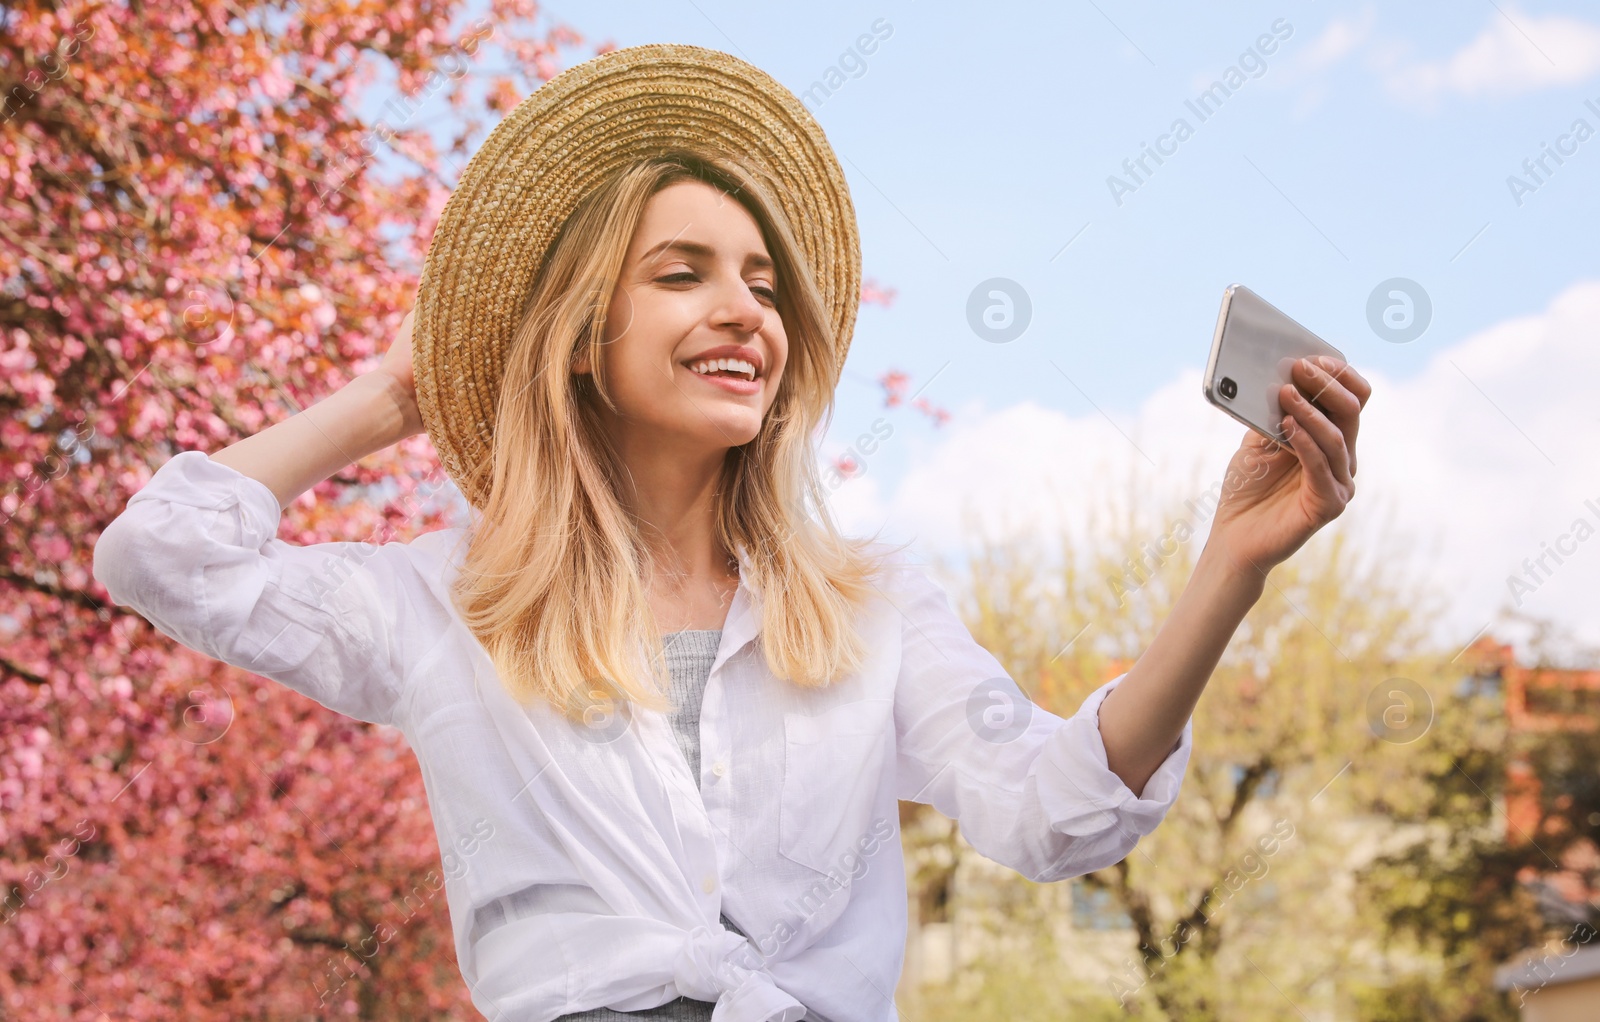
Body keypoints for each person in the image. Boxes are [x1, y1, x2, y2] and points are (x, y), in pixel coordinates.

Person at [90, 43, 1370, 1022]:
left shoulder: (870, 605)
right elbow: (167, 554)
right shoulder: (446, 602)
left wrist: (1229, 567)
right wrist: (395, 393)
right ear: (584, 336)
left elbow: (1053, 812)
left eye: (764, 284)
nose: (745, 310)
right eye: (682, 271)